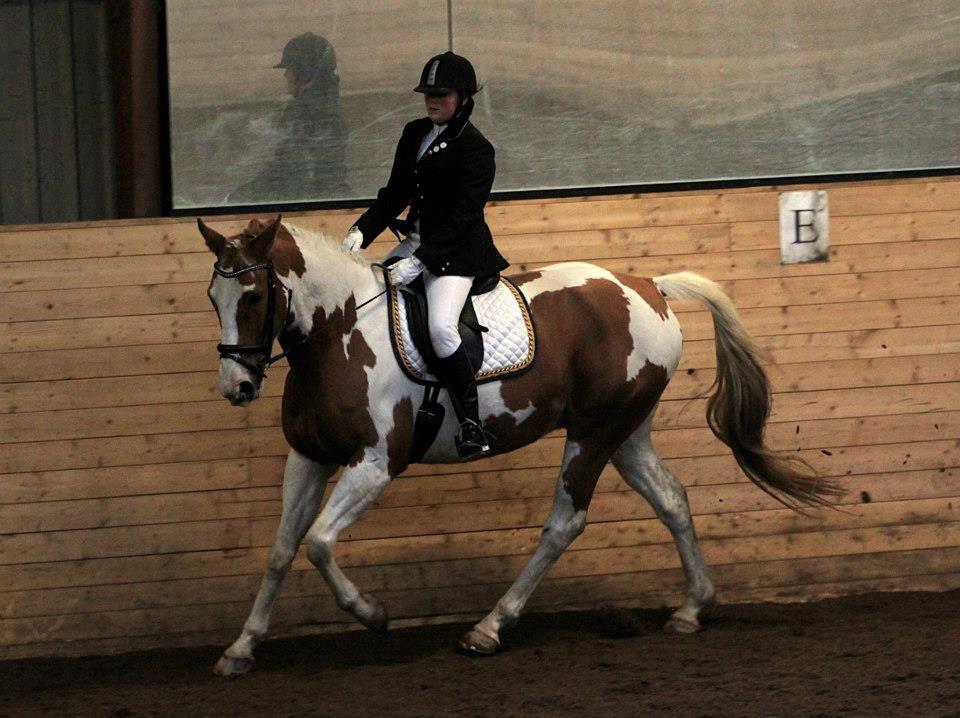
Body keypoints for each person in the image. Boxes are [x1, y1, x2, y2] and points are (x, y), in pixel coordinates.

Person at [342, 51, 509, 461]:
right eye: (427, 95)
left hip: (456, 255)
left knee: (441, 329)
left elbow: (463, 217)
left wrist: (422, 262)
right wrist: (360, 232)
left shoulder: (476, 148)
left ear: (464, 97)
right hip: (416, 243)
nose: (432, 101)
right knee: (369, 307)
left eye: (442, 94)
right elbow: (395, 193)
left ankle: (472, 424)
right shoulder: (415, 132)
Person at [229, 32, 349, 203]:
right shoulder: (323, 105)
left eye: (289, 69)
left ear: (302, 72)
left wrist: (238, 198)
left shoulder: (306, 112)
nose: (286, 76)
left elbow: (286, 169)